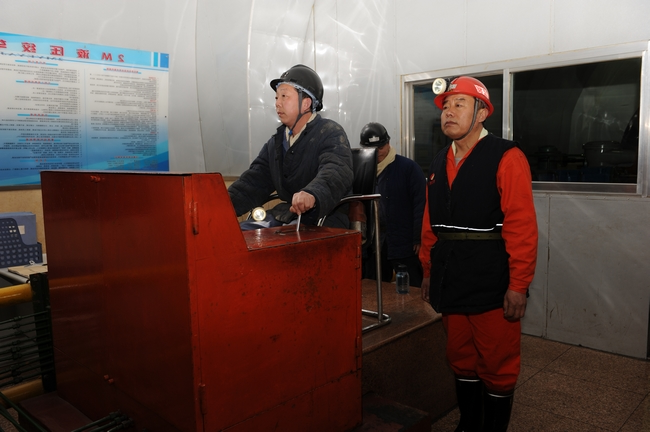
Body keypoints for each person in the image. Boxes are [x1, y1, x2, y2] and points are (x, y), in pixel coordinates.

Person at [419, 76, 538, 432]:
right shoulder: (438, 161)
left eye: (460, 104)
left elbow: (521, 226)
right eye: (446, 105)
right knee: (460, 355)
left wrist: (518, 285)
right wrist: (427, 269)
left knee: (497, 360)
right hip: (451, 276)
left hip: (491, 279)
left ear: (482, 112)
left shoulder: (507, 157)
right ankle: (469, 424)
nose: (448, 112)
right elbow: (430, 222)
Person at [228, 64, 353, 229]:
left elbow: (336, 170)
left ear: (306, 103)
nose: (277, 104)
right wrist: (219, 205)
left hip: (324, 219)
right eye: (276, 98)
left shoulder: (330, 133)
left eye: (284, 96)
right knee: (240, 234)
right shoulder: (276, 143)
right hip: (288, 215)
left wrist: (312, 193)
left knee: (266, 240)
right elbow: (253, 182)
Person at [359, 122, 425, 287]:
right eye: (372, 148)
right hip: (374, 245)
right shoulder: (361, 171)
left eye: (381, 147)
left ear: (388, 143)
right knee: (373, 288)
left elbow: (421, 205)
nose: (377, 152)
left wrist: (419, 238)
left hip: (405, 243)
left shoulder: (408, 168)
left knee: (411, 287)